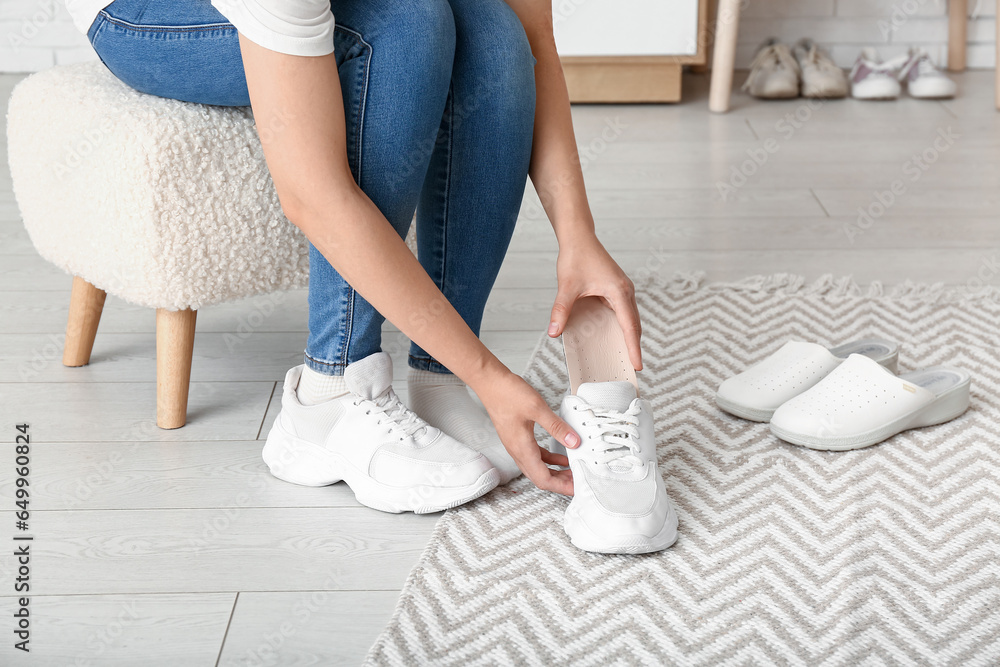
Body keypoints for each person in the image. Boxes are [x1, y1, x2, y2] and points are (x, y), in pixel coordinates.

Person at [66, 0, 643, 509]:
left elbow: (532, 34)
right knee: (400, 27)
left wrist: (579, 236)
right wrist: (489, 374)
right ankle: (331, 393)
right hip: (138, 12)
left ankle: (437, 381)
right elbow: (313, 196)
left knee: (493, 30)